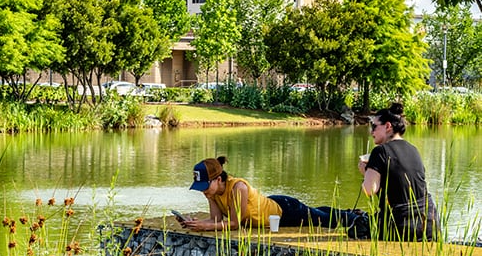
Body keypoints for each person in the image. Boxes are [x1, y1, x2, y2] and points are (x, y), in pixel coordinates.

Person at [182, 156, 367, 235]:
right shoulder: (213, 193)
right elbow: (216, 219)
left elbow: (234, 224)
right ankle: (350, 212)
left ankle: (356, 218)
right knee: (317, 213)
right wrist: (195, 223)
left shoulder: (238, 187)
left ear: (219, 179)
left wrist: (205, 227)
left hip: (284, 210)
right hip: (273, 211)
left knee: (322, 219)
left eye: (206, 185)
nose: (204, 190)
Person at [358, 102, 440, 241]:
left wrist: (365, 172)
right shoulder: (413, 149)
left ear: (388, 126)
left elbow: (369, 190)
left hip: (401, 226)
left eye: (374, 126)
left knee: (356, 227)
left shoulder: (380, 151)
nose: (372, 132)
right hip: (429, 225)